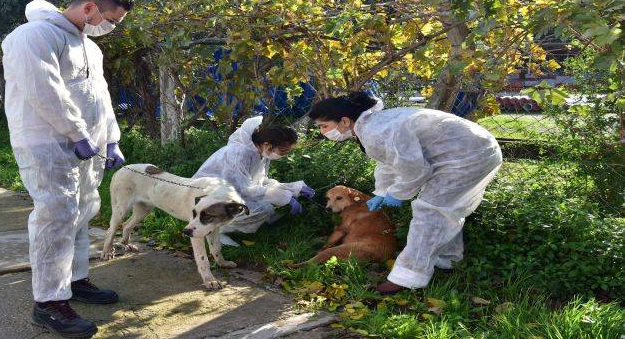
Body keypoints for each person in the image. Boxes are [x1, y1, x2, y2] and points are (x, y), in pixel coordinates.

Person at [2, 0, 133, 336]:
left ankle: (74, 280)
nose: (111, 27)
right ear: (89, 8)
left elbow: (101, 96)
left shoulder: (89, 46)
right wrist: (78, 133)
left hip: (85, 146)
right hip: (47, 144)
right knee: (54, 218)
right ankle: (48, 302)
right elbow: (46, 92)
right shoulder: (33, 36)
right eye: (111, 19)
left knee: (82, 212)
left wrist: (111, 140)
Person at [308, 91, 502, 294]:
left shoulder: (375, 131)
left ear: (345, 121)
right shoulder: (372, 126)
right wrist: (383, 191)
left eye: (324, 126)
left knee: (429, 212)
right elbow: (389, 162)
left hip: (467, 156)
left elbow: (415, 169)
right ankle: (446, 262)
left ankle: (407, 278)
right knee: (446, 211)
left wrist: (398, 193)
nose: (323, 132)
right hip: (476, 149)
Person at [193, 116, 315, 246]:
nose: (284, 155)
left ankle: (223, 226)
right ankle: (213, 230)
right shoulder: (239, 154)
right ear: (268, 145)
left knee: (271, 201)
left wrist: (295, 189)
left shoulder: (260, 154)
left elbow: (261, 183)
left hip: (225, 195)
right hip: (204, 198)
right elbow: (243, 190)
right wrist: (284, 196)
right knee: (263, 209)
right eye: (283, 151)